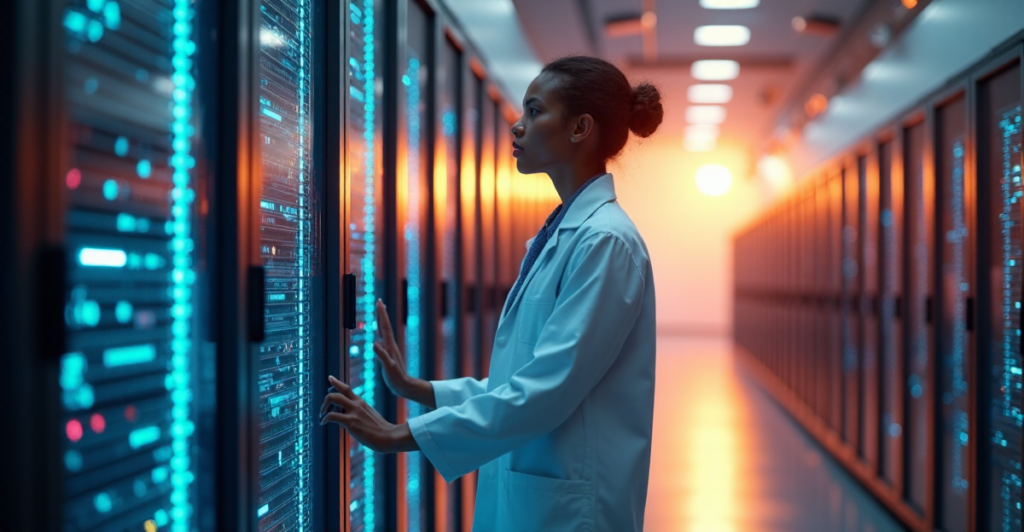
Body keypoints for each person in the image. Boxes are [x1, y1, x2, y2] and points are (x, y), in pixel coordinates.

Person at [320, 55, 661, 532]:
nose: (517, 127)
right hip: (539, 494)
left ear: (580, 127)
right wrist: (416, 389)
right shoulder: (567, 231)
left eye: (536, 111)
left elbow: (548, 388)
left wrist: (398, 434)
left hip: (572, 509)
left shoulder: (605, 242)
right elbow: (519, 380)